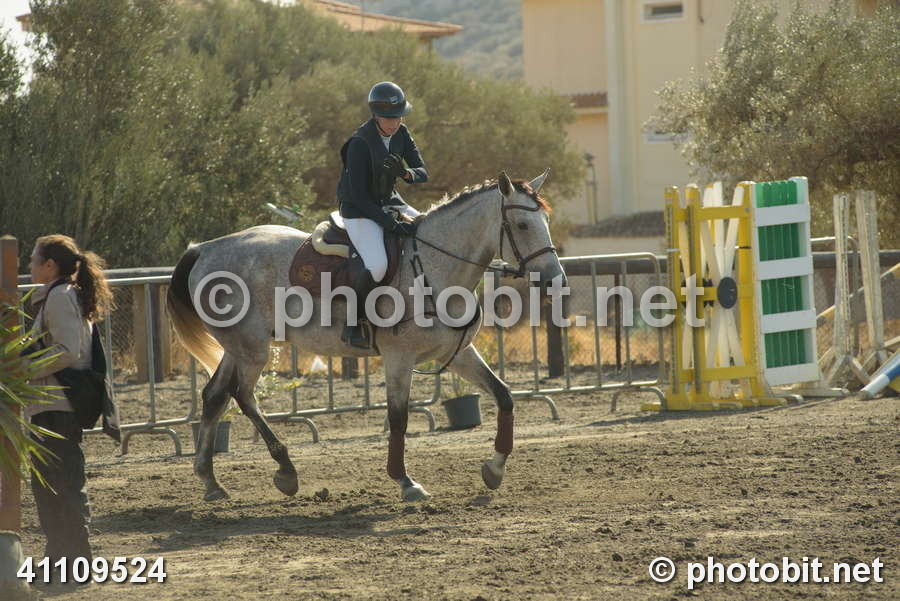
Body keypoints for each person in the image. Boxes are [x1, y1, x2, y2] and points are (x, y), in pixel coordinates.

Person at [23, 234, 113, 578]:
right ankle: (62, 560)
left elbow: (67, 351)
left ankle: (74, 562)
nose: (29, 265)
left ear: (50, 265)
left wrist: (21, 371)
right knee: (54, 487)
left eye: (34, 260)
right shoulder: (61, 295)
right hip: (53, 406)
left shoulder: (60, 297)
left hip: (56, 406)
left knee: (61, 487)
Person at [336, 81, 428, 348]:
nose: (394, 123)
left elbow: (423, 172)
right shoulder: (359, 143)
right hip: (358, 210)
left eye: (398, 116)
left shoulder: (402, 133)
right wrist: (391, 224)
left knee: (427, 230)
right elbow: (360, 196)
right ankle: (353, 324)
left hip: (390, 201)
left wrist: (405, 173)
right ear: (375, 116)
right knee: (377, 265)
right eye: (388, 118)